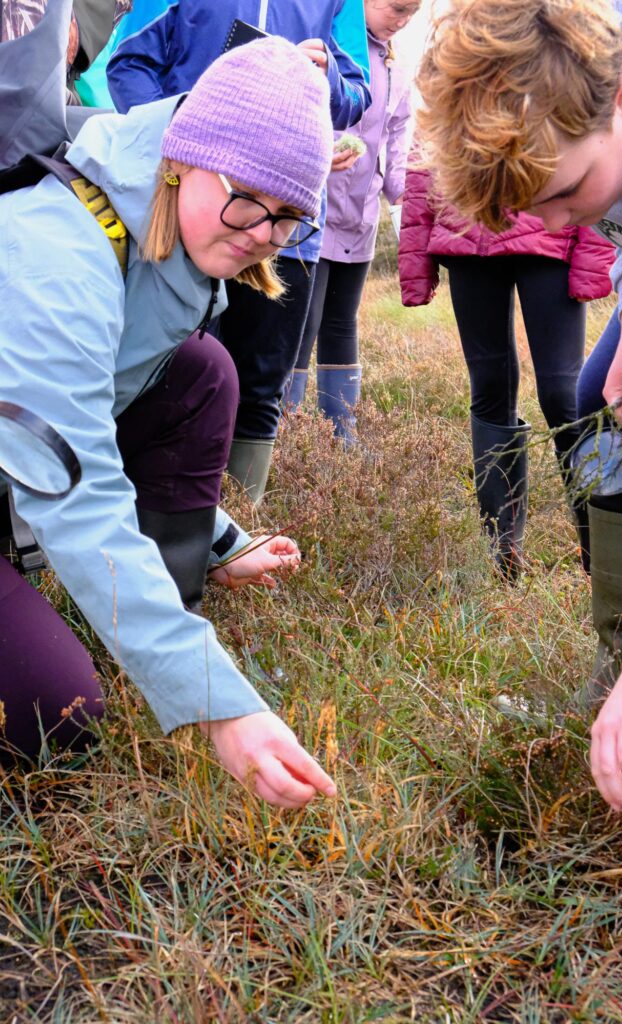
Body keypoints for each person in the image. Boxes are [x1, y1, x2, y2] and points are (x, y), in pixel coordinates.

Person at [0, 18, 338, 810]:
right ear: (187, 160)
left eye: (290, 216)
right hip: (36, 483)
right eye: (247, 201)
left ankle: (163, 624)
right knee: (58, 717)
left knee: (203, 373)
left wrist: (214, 536)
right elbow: (77, 491)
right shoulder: (57, 254)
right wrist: (221, 706)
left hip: (22, 473)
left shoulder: (168, 223)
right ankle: (174, 665)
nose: (264, 236)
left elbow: (120, 392)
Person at [414, 0, 622, 812]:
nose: (563, 224)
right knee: (609, 410)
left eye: (563, 196)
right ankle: (616, 667)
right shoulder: (609, 104)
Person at [106, 0, 372, 500]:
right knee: (169, 370)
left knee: (261, 386)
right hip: (193, 207)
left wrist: (329, 78)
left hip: (285, 225)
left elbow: (357, 95)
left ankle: (236, 530)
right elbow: (128, 62)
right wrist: (187, 141)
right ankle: (143, 519)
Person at [399, 167, 615, 576]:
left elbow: (596, 150)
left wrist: (593, 254)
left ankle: (600, 550)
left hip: (551, 225)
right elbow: (425, 157)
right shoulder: (452, 98)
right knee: (490, 387)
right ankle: (502, 555)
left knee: (563, 395)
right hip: (466, 224)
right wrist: (415, 263)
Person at [291, 0, 420, 445]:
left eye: (412, 14)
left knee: (342, 322)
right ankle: (282, 431)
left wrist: (406, 195)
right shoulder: (332, 42)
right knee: (301, 323)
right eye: (396, 8)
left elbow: (398, 139)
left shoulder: (398, 67)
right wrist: (317, 155)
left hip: (359, 218)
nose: (401, 21)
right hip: (313, 208)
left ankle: (340, 437)